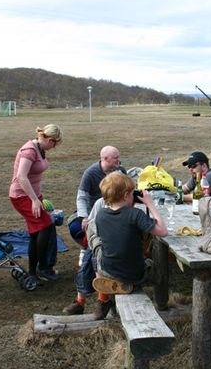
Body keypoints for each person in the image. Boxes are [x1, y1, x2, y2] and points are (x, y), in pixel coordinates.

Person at [87, 171, 168, 319]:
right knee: (156, 267)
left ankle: (104, 297)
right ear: (126, 195)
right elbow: (162, 231)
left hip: (108, 270)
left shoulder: (100, 215)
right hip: (135, 274)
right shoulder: (135, 214)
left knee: (96, 239)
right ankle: (162, 302)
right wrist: (150, 204)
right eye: (131, 193)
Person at [64, 145, 126, 315]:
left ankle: (93, 300)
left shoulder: (121, 171)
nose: (119, 160)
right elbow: (82, 197)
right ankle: (95, 301)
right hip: (95, 216)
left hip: (113, 219)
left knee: (91, 257)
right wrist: (84, 217)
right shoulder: (91, 174)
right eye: (115, 157)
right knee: (89, 253)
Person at [9, 124, 63, 282]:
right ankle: (43, 268)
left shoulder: (40, 149)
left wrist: (37, 198)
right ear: (50, 139)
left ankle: (33, 271)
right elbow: (21, 177)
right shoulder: (29, 150)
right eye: (55, 143)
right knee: (46, 226)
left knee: (36, 233)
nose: (54, 147)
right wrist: (34, 200)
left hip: (33, 196)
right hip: (21, 196)